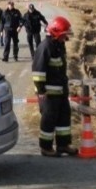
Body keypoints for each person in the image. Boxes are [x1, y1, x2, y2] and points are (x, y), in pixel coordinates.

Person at [32, 16, 78, 157]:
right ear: (57, 33)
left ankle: (63, 145)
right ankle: (46, 147)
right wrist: (41, 91)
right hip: (49, 94)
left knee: (64, 117)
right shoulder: (45, 47)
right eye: (64, 35)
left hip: (61, 91)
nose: (66, 38)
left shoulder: (58, 45)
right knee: (49, 120)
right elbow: (38, 72)